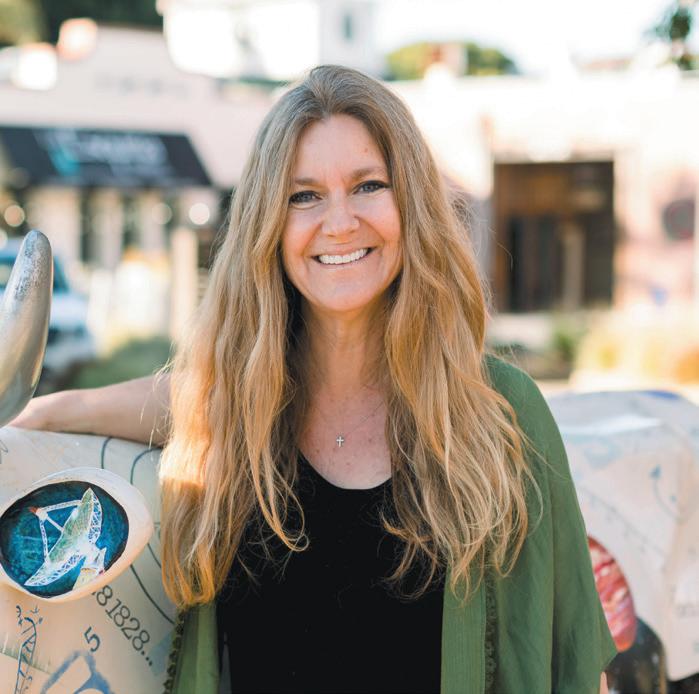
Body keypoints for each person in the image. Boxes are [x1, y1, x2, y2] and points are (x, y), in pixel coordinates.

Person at [14, 65, 614, 693]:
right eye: (304, 196)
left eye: (368, 185)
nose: (340, 222)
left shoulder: (499, 414)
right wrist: (42, 414)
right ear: (267, 226)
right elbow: (181, 399)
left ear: (411, 205)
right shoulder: (238, 412)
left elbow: (575, 666)